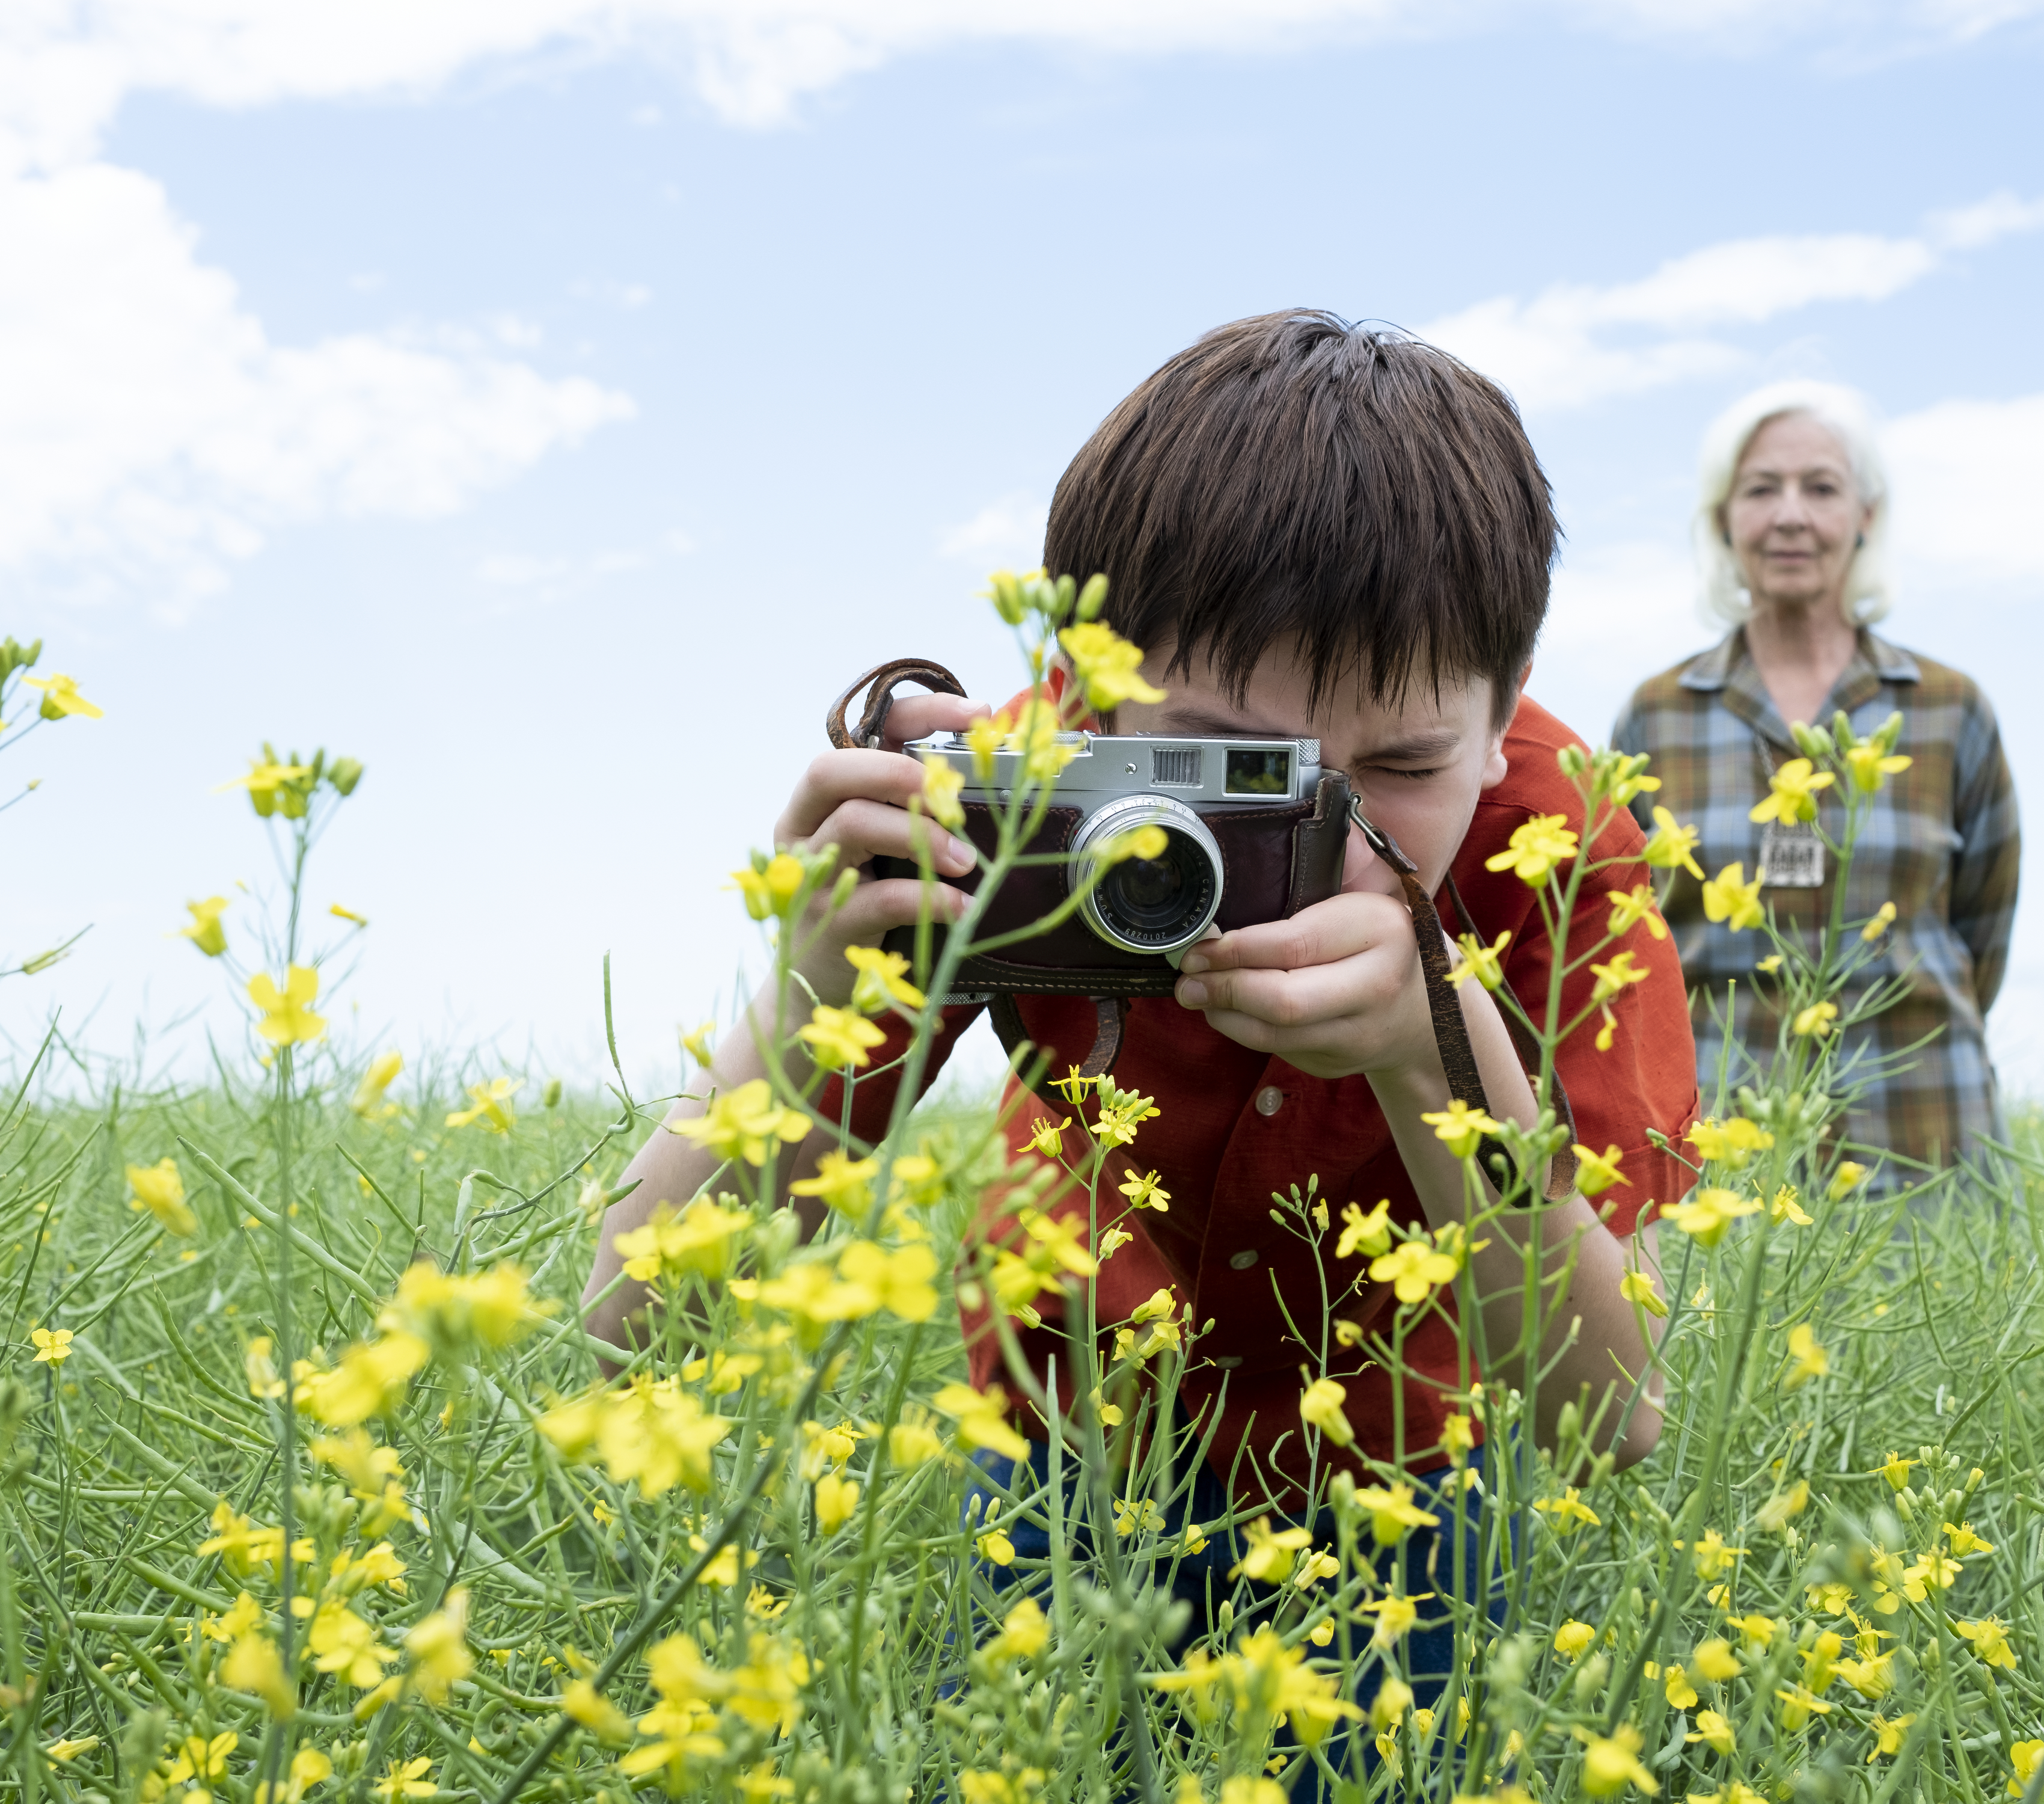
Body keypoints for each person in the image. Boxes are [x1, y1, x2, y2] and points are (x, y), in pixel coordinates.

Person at [580, 310, 1701, 1755]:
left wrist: (1437, 1047)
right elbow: (633, 1317)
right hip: (1069, 1443)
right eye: (1225, 770)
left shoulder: (1562, 839)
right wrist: (812, 995)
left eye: (1407, 768)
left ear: (1502, 728)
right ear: (1087, 703)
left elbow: (1609, 1420)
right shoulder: (1013, 800)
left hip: (1413, 1472)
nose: (1328, 830)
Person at [1608, 380, 2018, 1183]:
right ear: (1725, 519)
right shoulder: (1656, 717)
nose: (1790, 515)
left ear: (1866, 516)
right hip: (1714, 1143)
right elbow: (1622, 927)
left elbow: (1983, 934)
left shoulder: (1947, 708)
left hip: (1922, 1133)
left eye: (1821, 488)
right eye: (1761, 489)